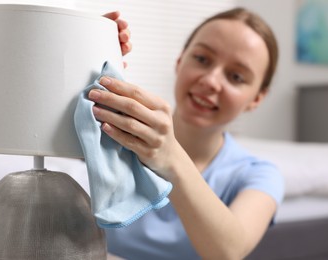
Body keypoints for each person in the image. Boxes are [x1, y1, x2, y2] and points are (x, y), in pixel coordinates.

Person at [93, 7, 284, 260]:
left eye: (236, 76)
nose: (211, 81)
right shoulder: (118, 133)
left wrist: (171, 157)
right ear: (180, 61)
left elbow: (229, 252)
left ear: (257, 98)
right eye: (202, 59)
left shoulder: (258, 174)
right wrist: (92, 48)